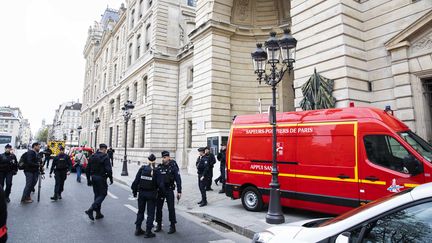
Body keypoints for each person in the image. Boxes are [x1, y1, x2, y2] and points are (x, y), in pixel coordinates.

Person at [131, 154, 161, 238]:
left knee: (140, 211)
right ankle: (148, 232)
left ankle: (138, 229)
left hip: (141, 193)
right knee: (150, 213)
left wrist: (134, 191)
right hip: (151, 194)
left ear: (148, 160)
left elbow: (136, 181)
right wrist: (161, 194)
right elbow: (160, 185)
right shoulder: (156, 171)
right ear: (155, 161)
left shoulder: (142, 169)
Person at [155, 151, 182, 234]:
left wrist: (179, 191)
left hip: (169, 189)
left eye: (165, 157)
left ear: (168, 157)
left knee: (171, 208)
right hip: (160, 191)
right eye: (162, 157)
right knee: (158, 208)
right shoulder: (159, 167)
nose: (163, 159)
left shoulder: (173, 167)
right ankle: (159, 224)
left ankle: (172, 225)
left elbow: (178, 179)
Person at [85, 144, 113, 221]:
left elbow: (87, 169)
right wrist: (111, 178)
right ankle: (91, 209)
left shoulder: (92, 156)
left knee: (97, 195)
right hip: (101, 178)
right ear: (104, 149)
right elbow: (109, 169)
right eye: (105, 150)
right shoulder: (105, 157)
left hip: (93, 178)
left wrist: (88, 180)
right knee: (103, 194)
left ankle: (98, 213)